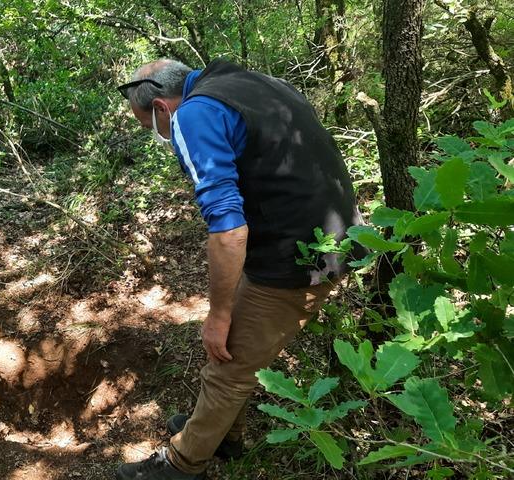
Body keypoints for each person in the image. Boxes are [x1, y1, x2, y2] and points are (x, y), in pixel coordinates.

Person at [115, 58, 364, 480]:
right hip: (329, 236)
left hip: (297, 257)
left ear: (161, 107)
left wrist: (219, 313)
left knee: (228, 363)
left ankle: (181, 465)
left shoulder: (193, 114)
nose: (155, 134)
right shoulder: (254, 81)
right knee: (235, 349)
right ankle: (224, 433)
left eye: (148, 125)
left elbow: (228, 230)